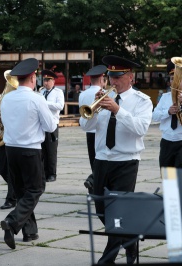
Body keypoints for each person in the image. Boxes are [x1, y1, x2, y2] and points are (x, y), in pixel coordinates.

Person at [80, 55, 153, 264]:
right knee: (102, 210)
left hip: (126, 161)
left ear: (130, 77)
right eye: (111, 76)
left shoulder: (142, 101)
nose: (113, 81)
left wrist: (118, 110)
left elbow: (140, 129)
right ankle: (131, 240)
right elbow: (85, 127)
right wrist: (94, 111)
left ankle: (107, 259)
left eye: (118, 77)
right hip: (102, 160)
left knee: (118, 211)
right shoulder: (101, 98)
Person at [0, 58, 57, 249]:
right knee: (35, 189)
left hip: (10, 150)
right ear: (33, 78)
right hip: (30, 150)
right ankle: (13, 221)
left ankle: (29, 232)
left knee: (22, 191)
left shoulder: (7, 98)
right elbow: (50, 126)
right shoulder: (36, 98)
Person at [78, 65, 107, 193]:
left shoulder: (83, 94)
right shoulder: (106, 93)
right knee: (102, 162)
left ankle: (94, 183)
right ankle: (95, 183)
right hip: (102, 131)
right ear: (102, 80)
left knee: (93, 161)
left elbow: (82, 114)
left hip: (89, 132)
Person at [152, 60, 182, 168]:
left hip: (181, 140)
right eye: (172, 79)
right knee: (169, 178)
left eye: (178, 78)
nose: (174, 82)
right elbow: (154, 116)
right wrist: (168, 112)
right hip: (167, 141)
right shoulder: (165, 98)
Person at [39, 69, 64, 182]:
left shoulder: (58, 92)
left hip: (53, 124)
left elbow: (60, 106)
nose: (46, 83)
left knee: (51, 150)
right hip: (42, 125)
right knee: (42, 150)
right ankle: (44, 173)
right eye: (44, 80)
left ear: (53, 81)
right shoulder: (41, 92)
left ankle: (52, 173)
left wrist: (45, 103)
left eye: (48, 80)